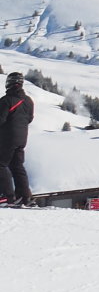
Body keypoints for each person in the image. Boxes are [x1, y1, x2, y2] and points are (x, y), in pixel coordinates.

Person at [0, 72, 34, 205]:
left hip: (7, 137)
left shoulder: (6, 100)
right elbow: (30, 119)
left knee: (1, 164)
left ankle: (6, 196)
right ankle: (25, 197)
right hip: (22, 138)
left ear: (9, 83)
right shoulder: (28, 101)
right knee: (17, 165)